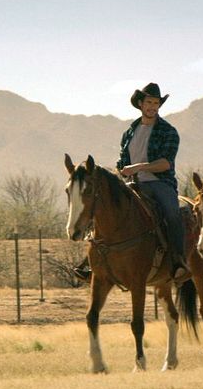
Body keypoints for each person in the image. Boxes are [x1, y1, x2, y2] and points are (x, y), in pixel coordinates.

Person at [71, 82, 190, 282]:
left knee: (172, 213)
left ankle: (178, 261)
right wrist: (121, 171)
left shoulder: (168, 131)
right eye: (149, 102)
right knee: (104, 208)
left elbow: (165, 164)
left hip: (159, 184)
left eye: (156, 103)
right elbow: (122, 161)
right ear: (141, 104)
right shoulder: (130, 132)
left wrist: (138, 167)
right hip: (132, 184)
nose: (153, 106)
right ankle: (92, 261)